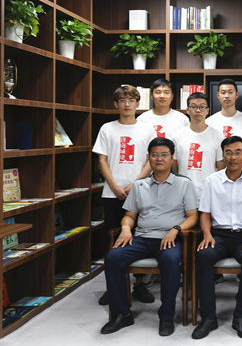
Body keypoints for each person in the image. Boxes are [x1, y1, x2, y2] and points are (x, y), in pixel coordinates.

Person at [101, 137, 199, 336]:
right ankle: (121, 314)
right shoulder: (139, 185)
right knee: (112, 258)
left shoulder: (184, 183)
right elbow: (129, 215)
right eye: (155, 155)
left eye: (164, 155)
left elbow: (192, 216)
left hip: (169, 239)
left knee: (170, 261)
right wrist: (126, 228)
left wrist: (176, 229)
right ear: (149, 158)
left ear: (172, 158)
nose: (159, 159)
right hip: (141, 238)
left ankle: (166, 317)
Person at [193, 136, 242, 340]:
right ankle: (208, 317)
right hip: (218, 235)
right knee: (203, 256)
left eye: (238, 153)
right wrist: (207, 234)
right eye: (228, 153)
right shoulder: (212, 180)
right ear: (223, 155)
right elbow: (204, 213)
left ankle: (240, 316)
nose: (233, 157)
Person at [92, 85, 155, 306]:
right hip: (112, 194)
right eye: (122, 100)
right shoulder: (107, 128)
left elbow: (151, 160)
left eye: (131, 100)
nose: (126, 104)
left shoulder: (147, 129)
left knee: (139, 238)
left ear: (138, 103)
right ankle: (113, 287)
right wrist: (114, 185)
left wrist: (135, 184)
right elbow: (102, 160)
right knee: (113, 238)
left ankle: (140, 285)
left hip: (141, 192)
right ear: (115, 104)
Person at [171, 92, 225, 200]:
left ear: (207, 110)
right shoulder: (177, 136)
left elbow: (221, 169)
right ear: (187, 110)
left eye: (202, 107)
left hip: (209, 192)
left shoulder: (218, 136)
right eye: (194, 107)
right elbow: (174, 168)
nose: (198, 110)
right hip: (183, 192)